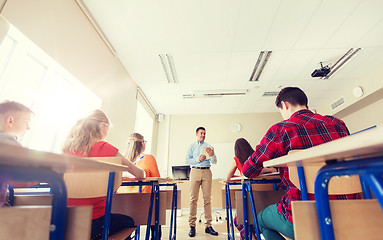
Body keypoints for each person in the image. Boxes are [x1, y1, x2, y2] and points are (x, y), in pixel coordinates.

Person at [242, 87, 359, 240]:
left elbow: (248, 169)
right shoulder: (337, 123)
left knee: (260, 220)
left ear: (284, 105)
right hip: (348, 212)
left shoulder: (280, 129)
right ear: (306, 104)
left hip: (304, 216)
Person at [62, 110, 145, 240]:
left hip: (68, 221)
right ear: (101, 126)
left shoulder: (67, 149)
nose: (107, 133)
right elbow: (139, 173)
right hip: (96, 223)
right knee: (129, 221)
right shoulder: (105, 148)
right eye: (107, 129)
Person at [227, 138, 274, 240]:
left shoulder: (237, 159)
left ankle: (251, 236)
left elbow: (228, 177)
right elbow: (270, 169)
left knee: (239, 219)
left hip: (249, 196)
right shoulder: (255, 157)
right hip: (265, 197)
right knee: (253, 216)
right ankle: (254, 235)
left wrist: (241, 176)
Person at [125, 132, 162, 240]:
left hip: (124, 206)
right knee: (156, 208)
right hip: (144, 204)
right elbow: (157, 179)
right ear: (142, 144)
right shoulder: (148, 158)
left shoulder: (123, 160)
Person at [185, 126, 218, 237]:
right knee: (193, 199)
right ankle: (192, 226)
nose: (203, 135)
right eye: (201, 133)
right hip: (194, 171)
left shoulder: (209, 147)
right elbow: (186, 160)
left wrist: (212, 155)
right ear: (196, 134)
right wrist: (197, 159)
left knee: (207, 199)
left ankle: (208, 226)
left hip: (207, 172)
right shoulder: (192, 146)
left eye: (204, 133)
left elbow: (214, 161)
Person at [0, 100, 34, 207]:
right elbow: (19, 181)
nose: (28, 127)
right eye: (26, 122)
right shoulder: (7, 142)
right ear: (10, 121)